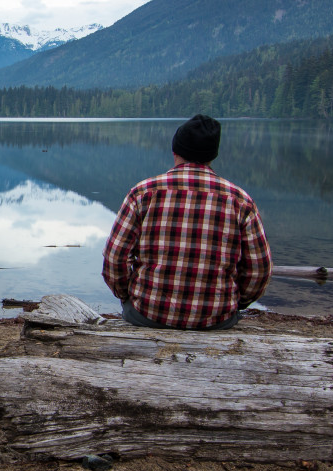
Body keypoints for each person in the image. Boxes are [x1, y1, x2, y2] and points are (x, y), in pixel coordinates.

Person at [101, 114, 271, 330]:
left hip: (148, 314)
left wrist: (127, 296)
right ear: (213, 155)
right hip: (216, 319)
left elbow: (114, 259)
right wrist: (236, 303)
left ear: (175, 151)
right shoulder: (240, 201)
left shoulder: (142, 193)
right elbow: (259, 270)